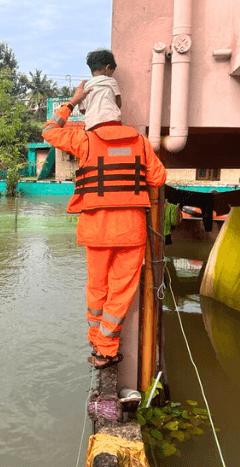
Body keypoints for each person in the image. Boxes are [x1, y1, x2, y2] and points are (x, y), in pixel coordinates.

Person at [42, 69, 167, 370]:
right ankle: (105, 350)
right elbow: (159, 176)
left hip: (95, 231)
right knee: (121, 291)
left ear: (91, 110)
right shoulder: (138, 141)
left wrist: (70, 103)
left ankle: (95, 341)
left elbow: (48, 132)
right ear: (116, 107)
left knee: (96, 289)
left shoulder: (84, 140)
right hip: (131, 232)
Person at [78, 49, 122, 130]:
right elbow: (119, 103)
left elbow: (82, 109)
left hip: (92, 125)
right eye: (112, 72)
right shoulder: (111, 81)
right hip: (112, 121)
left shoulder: (85, 86)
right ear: (108, 68)